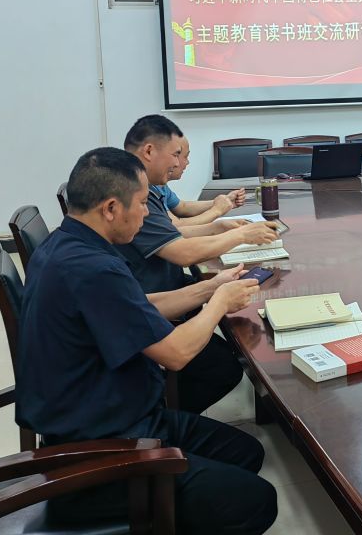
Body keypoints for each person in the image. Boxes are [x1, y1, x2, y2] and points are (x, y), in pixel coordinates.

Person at [17, 147, 277, 534]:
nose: (147, 213)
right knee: (256, 501)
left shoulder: (67, 246)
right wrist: (219, 304)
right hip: (99, 448)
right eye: (141, 204)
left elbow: (139, 305)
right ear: (110, 208)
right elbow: (176, 354)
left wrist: (210, 287)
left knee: (245, 452)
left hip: (122, 414)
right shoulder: (92, 268)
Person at [117, 115, 278, 413]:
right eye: (177, 154)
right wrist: (239, 235)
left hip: (156, 294)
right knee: (227, 363)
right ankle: (165, 420)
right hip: (153, 307)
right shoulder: (132, 195)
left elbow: (173, 232)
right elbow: (181, 251)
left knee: (235, 315)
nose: (182, 163)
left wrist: (217, 228)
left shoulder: (137, 189)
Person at [160, 136, 247, 226]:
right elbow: (176, 226)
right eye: (184, 156)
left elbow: (181, 207)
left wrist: (224, 201)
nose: (187, 162)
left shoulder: (160, 186)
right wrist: (216, 211)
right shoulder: (152, 188)